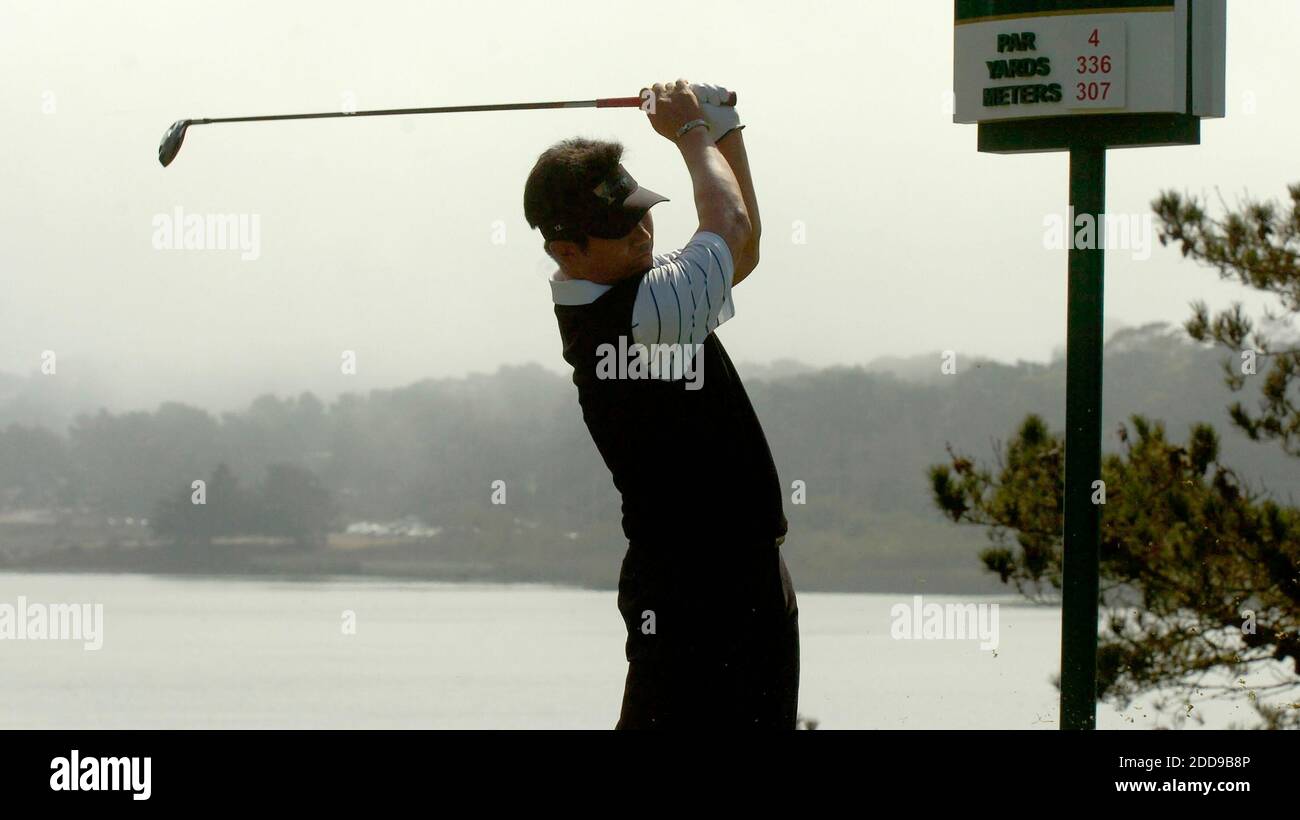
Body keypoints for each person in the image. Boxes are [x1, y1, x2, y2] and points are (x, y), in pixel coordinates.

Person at [523, 79, 798, 729]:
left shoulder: (633, 294)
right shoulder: (636, 315)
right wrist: (692, 132)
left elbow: (741, 249)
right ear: (568, 251)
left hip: (736, 584)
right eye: (622, 229)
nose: (645, 232)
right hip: (696, 596)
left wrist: (725, 124)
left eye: (643, 211)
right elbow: (727, 227)